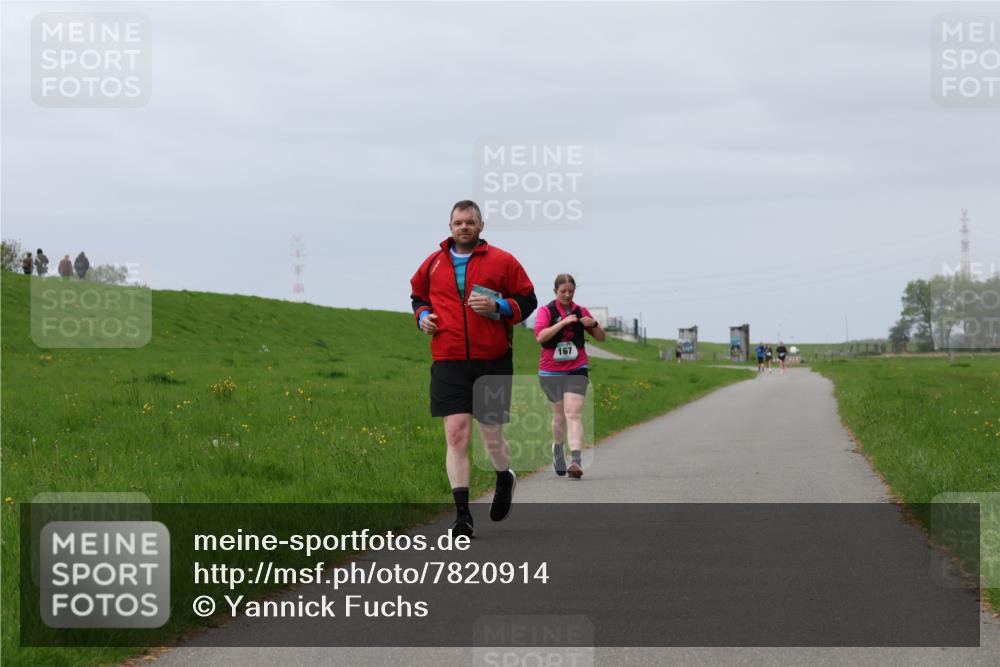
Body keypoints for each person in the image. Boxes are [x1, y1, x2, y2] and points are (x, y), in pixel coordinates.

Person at [410, 200, 537, 537]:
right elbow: (417, 296)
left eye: (469, 222)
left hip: (492, 360)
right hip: (448, 359)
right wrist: (423, 316)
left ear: (481, 226)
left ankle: (503, 476)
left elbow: (528, 300)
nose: (463, 227)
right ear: (449, 227)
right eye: (457, 222)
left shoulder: (503, 261)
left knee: (491, 434)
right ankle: (462, 516)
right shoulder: (434, 263)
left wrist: (499, 305)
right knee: (456, 434)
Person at [535, 274, 605, 480]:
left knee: (573, 413)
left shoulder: (581, 311)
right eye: (563, 291)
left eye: (570, 291)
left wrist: (593, 324)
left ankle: (576, 460)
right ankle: (558, 448)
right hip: (551, 371)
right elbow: (540, 337)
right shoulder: (546, 311)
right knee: (559, 416)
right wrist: (563, 323)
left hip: (577, 367)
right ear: (555, 291)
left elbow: (601, 338)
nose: (567, 295)